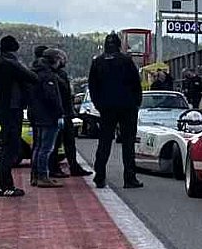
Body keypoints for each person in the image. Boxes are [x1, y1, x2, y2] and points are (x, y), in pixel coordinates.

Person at [89, 32, 144, 189]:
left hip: (106, 107)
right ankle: (129, 178)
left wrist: (99, 105)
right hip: (127, 106)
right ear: (119, 45)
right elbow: (136, 84)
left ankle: (100, 176)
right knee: (128, 143)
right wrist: (136, 103)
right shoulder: (126, 61)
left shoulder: (98, 62)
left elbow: (93, 86)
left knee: (104, 142)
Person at [0, 35, 38, 197]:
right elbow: (32, 77)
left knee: (9, 146)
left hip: (4, 108)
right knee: (11, 148)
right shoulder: (10, 64)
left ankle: (4, 185)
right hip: (12, 109)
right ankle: (5, 186)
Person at [47, 49, 91, 178]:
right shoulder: (54, 74)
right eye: (62, 58)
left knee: (68, 141)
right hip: (60, 113)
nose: (64, 61)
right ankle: (54, 167)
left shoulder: (59, 74)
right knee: (56, 142)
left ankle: (73, 166)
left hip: (64, 112)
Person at [28, 45, 67, 188]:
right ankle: (43, 176)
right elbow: (51, 97)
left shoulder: (35, 72)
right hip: (48, 116)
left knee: (38, 147)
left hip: (36, 114)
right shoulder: (48, 75)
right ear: (54, 60)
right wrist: (59, 113)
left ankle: (35, 175)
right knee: (46, 148)